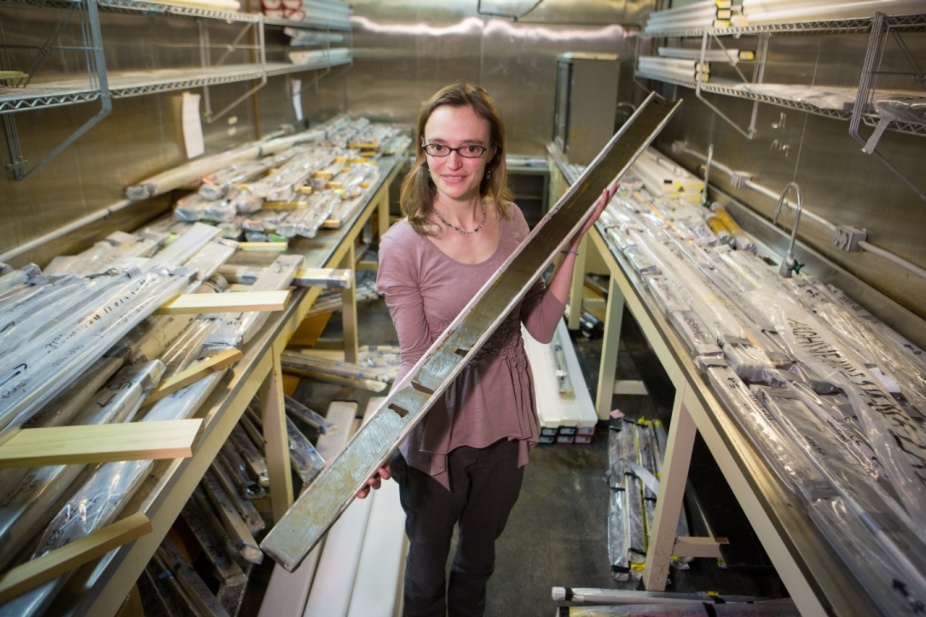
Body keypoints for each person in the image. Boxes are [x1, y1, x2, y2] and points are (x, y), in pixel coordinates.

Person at [359, 82, 616, 617]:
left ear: (492, 153)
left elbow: (541, 328)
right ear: (422, 149)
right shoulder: (403, 246)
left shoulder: (514, 224)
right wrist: (379, 444)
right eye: (439, 146)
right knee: (426, 578)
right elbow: (414, 360)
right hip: (437, 443)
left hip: (506, 431)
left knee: (477, 565)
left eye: (470, 147)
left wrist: (570, 246)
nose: (453, 162)